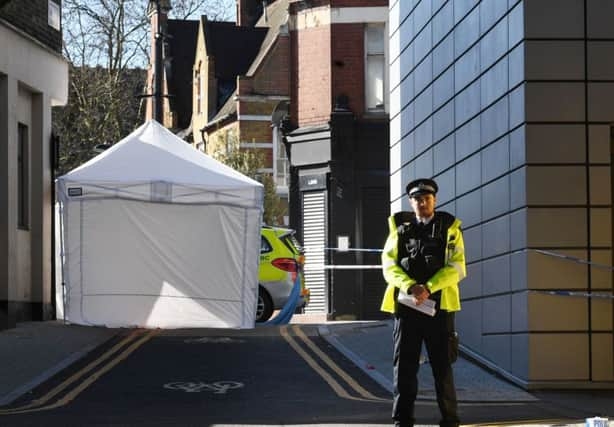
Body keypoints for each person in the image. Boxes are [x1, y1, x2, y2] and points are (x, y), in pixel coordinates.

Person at [380, 178, 466, 427]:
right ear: (411, 202)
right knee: (404, 368)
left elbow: (458, 267)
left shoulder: (450, 228)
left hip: (439, 309)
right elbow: (388, 265)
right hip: (407, 308)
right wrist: (410, 286)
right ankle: (402, 421)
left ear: (435, 200)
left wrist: (428, 287)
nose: (422, 202)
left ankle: (450, 420)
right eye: (417, 199)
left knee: (442, 368)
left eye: (427, 198)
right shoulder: (399, 229)